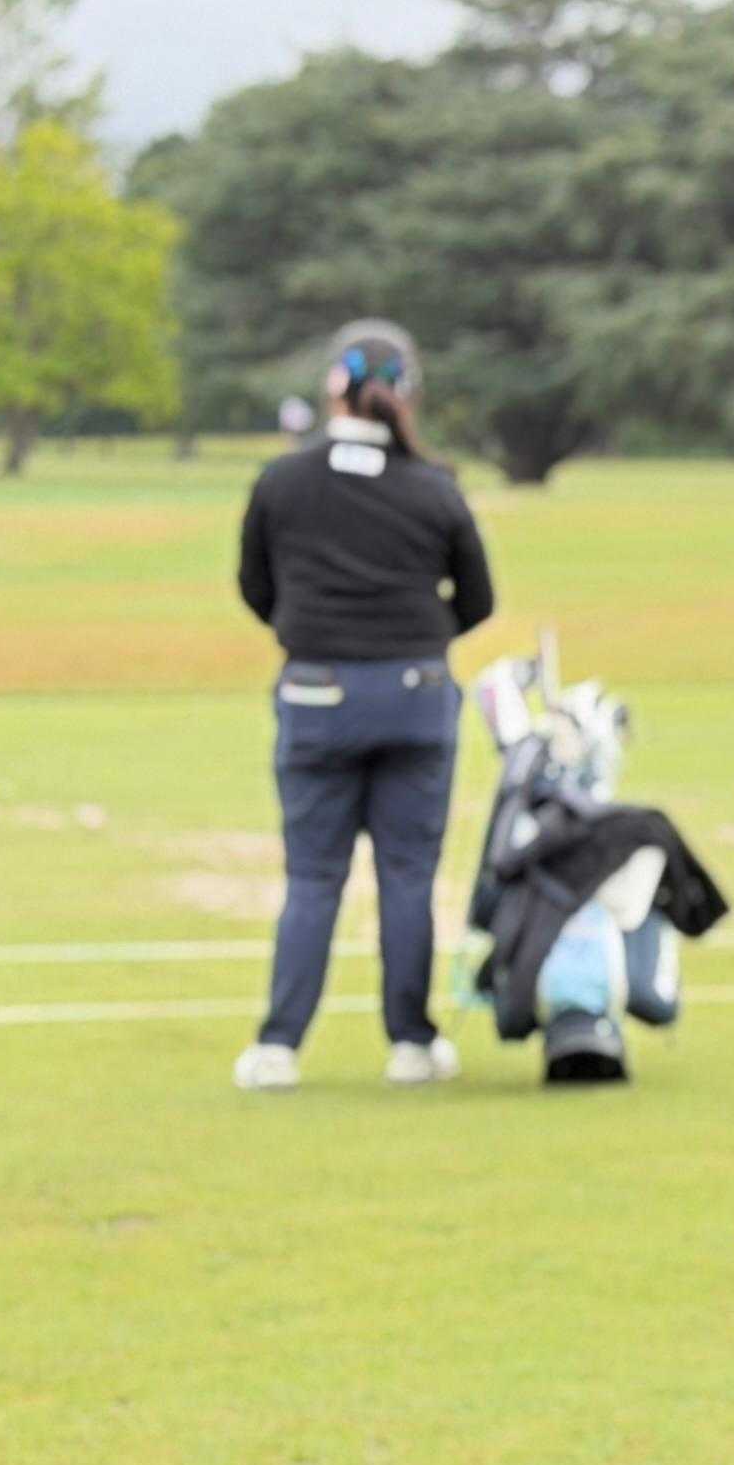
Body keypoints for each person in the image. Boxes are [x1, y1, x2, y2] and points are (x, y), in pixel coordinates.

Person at [232, 319, 497, 1091]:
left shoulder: (283, 480)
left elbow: (256, 588)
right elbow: (477, 600)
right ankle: (411, 1043)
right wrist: (410, 643)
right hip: (415, 699)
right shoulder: (433, 485)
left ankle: (280, 1046)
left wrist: (313, 632)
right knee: (408, 876)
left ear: (333, 386)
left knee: (314, 877)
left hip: (316, 697)